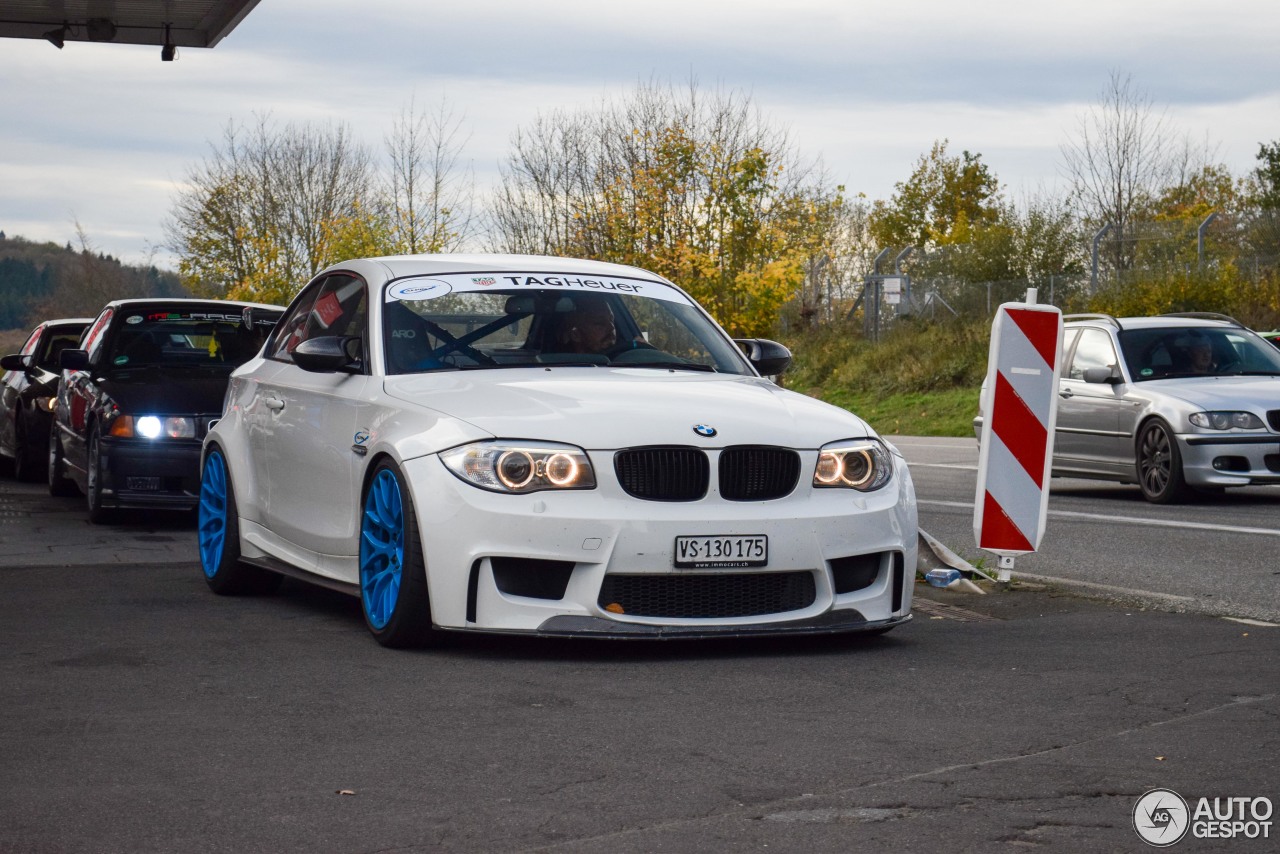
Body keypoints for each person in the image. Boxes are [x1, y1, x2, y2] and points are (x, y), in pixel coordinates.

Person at [553, 294, 618, 355]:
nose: (612, 327)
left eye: (611, 319)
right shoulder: (560, 366)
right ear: (575, 334)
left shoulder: (624, 359)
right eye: (600, 322)